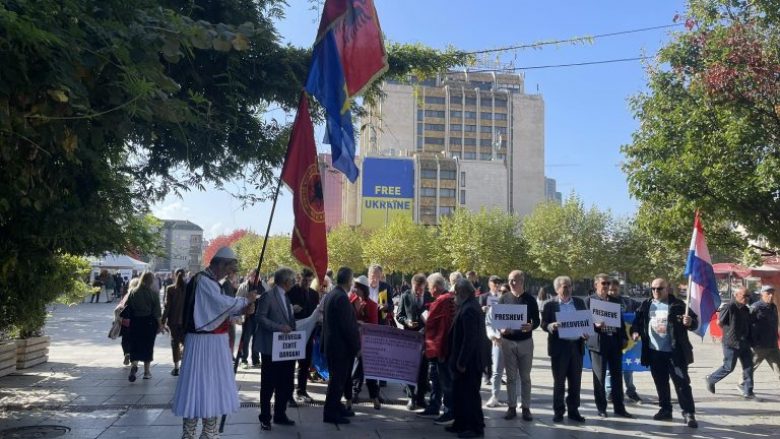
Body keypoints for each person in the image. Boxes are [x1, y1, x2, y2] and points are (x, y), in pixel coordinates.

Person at [171, 247, 250, 439]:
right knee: (202, 386)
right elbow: (220, 304)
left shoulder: (207, 281)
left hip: (211, 343)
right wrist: (244, 302)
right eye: (229, 269)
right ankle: (197, 433)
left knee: (208, 386)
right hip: (204, 344)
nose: (229, 273)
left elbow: (216, 311)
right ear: (220, 264)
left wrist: (242, 308)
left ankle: (208, 432)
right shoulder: (204, 281)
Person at [631, 278, 699, 428]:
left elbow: (694, 321)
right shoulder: (646, 304)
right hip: (654, 352)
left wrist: (690, 322)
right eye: (653, 289)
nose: (656, 291)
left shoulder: (678, 305)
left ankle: (688, 413)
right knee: (661, 383)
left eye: (659, 288)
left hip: (675, 353)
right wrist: (635, 331)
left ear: (667, 289)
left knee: (682, 384)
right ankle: (665, 409)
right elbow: (637, 321)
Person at [585, 274, 634, 419]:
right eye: (603, 283)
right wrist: (595, 325)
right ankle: (601, 408)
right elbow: (583, 321)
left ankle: (620, 408)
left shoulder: (614, 301)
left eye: (608, 283)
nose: (606, 286)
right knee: (599, 378)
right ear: (596, 285)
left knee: (617, 377)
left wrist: (624, 338)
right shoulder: (589, 301)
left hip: (615, 343)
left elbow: (620, 322)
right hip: (599, 344)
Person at [255, 267, 298, 431]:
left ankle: (280, 414)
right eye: (292, 280)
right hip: (270, 348)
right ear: (286, 281)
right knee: (268, 385)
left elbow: (287, 317)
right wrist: (279, 327)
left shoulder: (285, 297)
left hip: (285, 349)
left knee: (284, 383)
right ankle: (265, 417)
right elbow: (260, 318)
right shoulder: (269, 295)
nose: (294, 283)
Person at [541, 275, 588, 423]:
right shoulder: (550, 305)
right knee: (559, 382)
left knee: (575, 382)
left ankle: (574, 411)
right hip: (559, 347)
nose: (567, 288)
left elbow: (586, 322)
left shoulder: (579, 303)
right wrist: (551, 326)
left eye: (569, 285)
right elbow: (543, 324)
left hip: (576, 346)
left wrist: (586, 333)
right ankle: (558, 411)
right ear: (557, 289)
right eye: (564, 286)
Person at [495, 270, 539, 421]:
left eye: (515, 280)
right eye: (510, 280)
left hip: (526, 342)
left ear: (522, 281)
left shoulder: (530, 299)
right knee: (511, 377)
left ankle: (526, 408)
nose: (512, 283)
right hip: (508, 342)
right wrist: (501, 329)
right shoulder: (503, 299)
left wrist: (531, 326)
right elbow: (498, 320)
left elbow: (537, 320)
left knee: (525, 377)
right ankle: (511, 407)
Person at [321, 267, 361, 425]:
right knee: (337, 382)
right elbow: (347, 327)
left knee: (338, 380)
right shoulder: (342, 298)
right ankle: (330, 413)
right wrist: (357, 348)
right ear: (349, 280)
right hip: (339, 348)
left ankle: (336, 406)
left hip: (333, 345)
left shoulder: (333, 293)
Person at [448, 279, 485, 438]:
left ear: (462, 292)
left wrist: (462, 361)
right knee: (460, 393)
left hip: (469, 361)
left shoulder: (470, 308)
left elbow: (470, 339)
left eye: (456, 292)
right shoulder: (467, 305)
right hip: (465, 360)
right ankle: (460, 423)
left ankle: (475, 428)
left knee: (470, 395)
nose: (454, 296)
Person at [706, 286, 754, 398]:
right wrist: (729, 333)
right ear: (736, 295)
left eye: (748, 296)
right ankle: (711, 379)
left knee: (748, 366)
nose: (746, 298)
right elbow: (719, 322)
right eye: (744, 295)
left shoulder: (746, 309)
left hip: (744, 342)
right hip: (731, 342)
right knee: (729, 367)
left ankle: (748, 391)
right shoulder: (729, 307)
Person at [423, 273, 457, 425]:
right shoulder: (450, 299)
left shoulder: (441, 301)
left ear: (435, 288)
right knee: (438, 379)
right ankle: (436, 406)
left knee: (446, 381)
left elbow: (435, 325)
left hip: (442, 348)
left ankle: (449, 412)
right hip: (449, 347)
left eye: (429, 288)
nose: (429, 291)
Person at [396, 273, 433, 412]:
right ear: (412, 286)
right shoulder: (405, 296)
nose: (418, 292)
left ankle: (421, 398)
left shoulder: (429, 296)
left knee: (424, 368)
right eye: (416, 289)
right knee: (410, 368)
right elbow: (399, 315)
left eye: (421, 289)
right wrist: (407, 322)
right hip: (410, 337)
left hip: (425, 337)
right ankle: (411, 397)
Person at [287, 267, 321, 405]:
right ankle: (288, 394)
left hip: (309, 334)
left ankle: (301, 390)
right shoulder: (291, 292)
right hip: (294, 333)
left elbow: (314, 313)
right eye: (304, 280)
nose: (307, 283)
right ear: (299, 278)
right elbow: (283, 311)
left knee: (305, 363)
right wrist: (291, 309)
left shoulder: (314, 294)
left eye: (309, 280)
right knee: (289, 365)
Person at [605, 278, 642, 403]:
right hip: (609, 340)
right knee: (610, 369)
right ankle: (610, 391)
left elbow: (642, 307)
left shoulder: (627, 302)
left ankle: (630, 391)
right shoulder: (602, 302)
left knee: (628, 367)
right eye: (610, 290)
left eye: (615, 290)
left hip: (628, 341)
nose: (612, 292)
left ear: (619, 289)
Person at [125, 271, 164, 382]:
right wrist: (160, 325)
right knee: (148, 346)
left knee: (135, 345)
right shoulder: (153, 294)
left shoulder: (132, 292)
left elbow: (128, 308)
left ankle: (134, 365)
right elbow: (157, 312)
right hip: (149, 323)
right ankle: (146, 372)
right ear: (151, 281)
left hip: (135, 322)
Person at [349, 275, 381, 409]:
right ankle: (355, 395)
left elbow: (374, 325)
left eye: (356, 287)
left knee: (367, 370)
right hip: (354, 340)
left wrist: (363, 324)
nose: (354, 290)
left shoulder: (372, 305)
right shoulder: (351, 300)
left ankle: (372, 397)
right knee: (357, 369)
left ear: (363, 289)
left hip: (367, 342)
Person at [749, 285, 780, 388]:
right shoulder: (755, 307)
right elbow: (747, 324)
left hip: (773, 345)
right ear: (762, 294)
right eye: (768, 293)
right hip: (759, 346)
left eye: (772, 293)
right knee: (750, 367)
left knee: (779, 367)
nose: (771, 296)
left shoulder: (773, 307)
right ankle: (742, 384)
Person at [480, 275, 503, 395]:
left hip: (499, 328)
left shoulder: (502, 297)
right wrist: (482, 309)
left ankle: (497, 375)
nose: (497, 285)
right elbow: (477, 311)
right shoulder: (483, 297)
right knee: (486, 352)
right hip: (487, 328)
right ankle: (486, 375)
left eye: (498, 283)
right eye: (494, 283)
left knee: (498, 354)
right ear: (489, 284)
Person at [161, 268, 187, 376]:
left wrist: (162, 321)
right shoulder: (189, 288)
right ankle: (185, 365)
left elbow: (167, 306)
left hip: (174, 321)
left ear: (175, 275)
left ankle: (176, 368)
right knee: (186, 343)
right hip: (186, 322)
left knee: (175, 344)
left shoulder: (170, 289)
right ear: (185, 275)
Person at [235, 269, 262, 369]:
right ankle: (244, 359)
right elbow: (237, 300)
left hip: (258, 317)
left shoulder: (263, 286)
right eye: (253, 276)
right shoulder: (243, 286)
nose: (255, 278)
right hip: (247, 317)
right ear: (249, 276)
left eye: (257, 276)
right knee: (245, 339)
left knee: (256, 339)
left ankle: (256, 360)